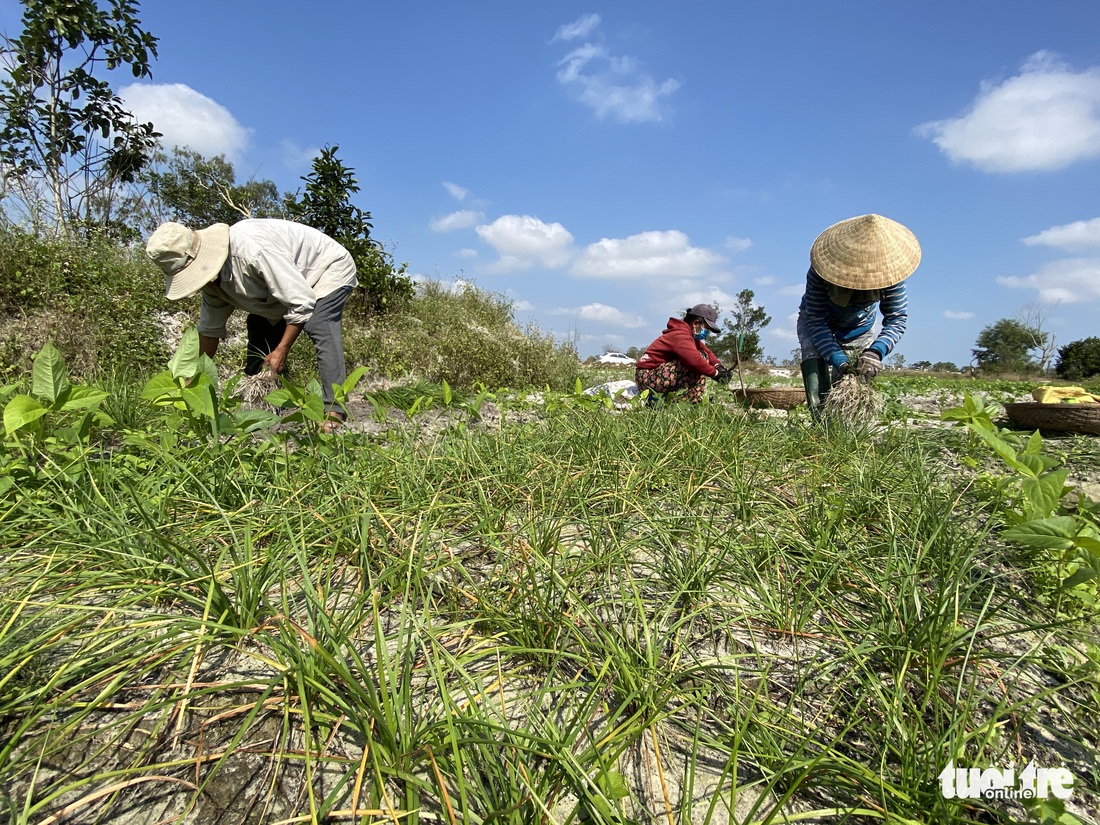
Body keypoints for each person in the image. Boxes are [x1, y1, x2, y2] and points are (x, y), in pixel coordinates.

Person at [146, 219, 358, 433]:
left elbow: (301, 302)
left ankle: (334, 408)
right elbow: (209, 332)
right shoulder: (212, 285)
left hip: (326, 268)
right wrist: (192, 378)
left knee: (318, 323)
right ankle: (260, 405)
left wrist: (282, 348)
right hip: (287, 283)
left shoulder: (253, 252)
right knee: (259, 325)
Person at [796, 213, 920, 419]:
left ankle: (846, 427)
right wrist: (838, 359)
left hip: (859, 327)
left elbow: (897, 318)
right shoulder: (819, 273)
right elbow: (816, 320)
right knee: (815, 366)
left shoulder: (891, 277)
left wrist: (875, 352)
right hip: (817, 321)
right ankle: (818, 425)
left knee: (855, 377)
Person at [635, 303, 732, 404]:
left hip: (653, 375)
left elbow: (706, 350)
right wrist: (716, 374)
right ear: (695, 323)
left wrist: (718, 366)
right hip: (647, 378)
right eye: (706, 328)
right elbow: (695, 361)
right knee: (698, 360)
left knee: (701, 355)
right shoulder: (681, 336)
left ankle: (683, 398)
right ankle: (685, 401)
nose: (707, 332)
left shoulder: (687, 335)